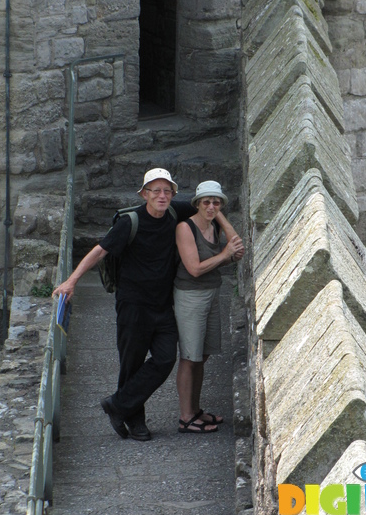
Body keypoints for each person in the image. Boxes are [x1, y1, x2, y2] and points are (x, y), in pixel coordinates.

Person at [53, 168, 238, 442]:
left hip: (162, 305)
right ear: (144, 194)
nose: (162, 196)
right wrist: (71, 281)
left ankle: (117, 405)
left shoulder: (175, 210)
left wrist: (219, 211)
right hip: (133, 305)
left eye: (167, 191)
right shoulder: (130, 222)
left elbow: (207, 204)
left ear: (173, 194)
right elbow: (100, 250)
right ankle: (135, 420)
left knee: (165, 358)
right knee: (132, 363)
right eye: (155, 191)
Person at [174, 181, 244, 433]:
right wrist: (225, 255)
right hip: (191, 296)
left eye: (216, 202)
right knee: (189, 356)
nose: (211, 206)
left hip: (212, 293)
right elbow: (194, 269)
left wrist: (219, 217)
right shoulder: (185, 228)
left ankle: (195, 410)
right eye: (206, 202)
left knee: (202, 356)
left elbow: (238, 248)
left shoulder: (214, 224)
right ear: (196, 203)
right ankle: (185, 417)